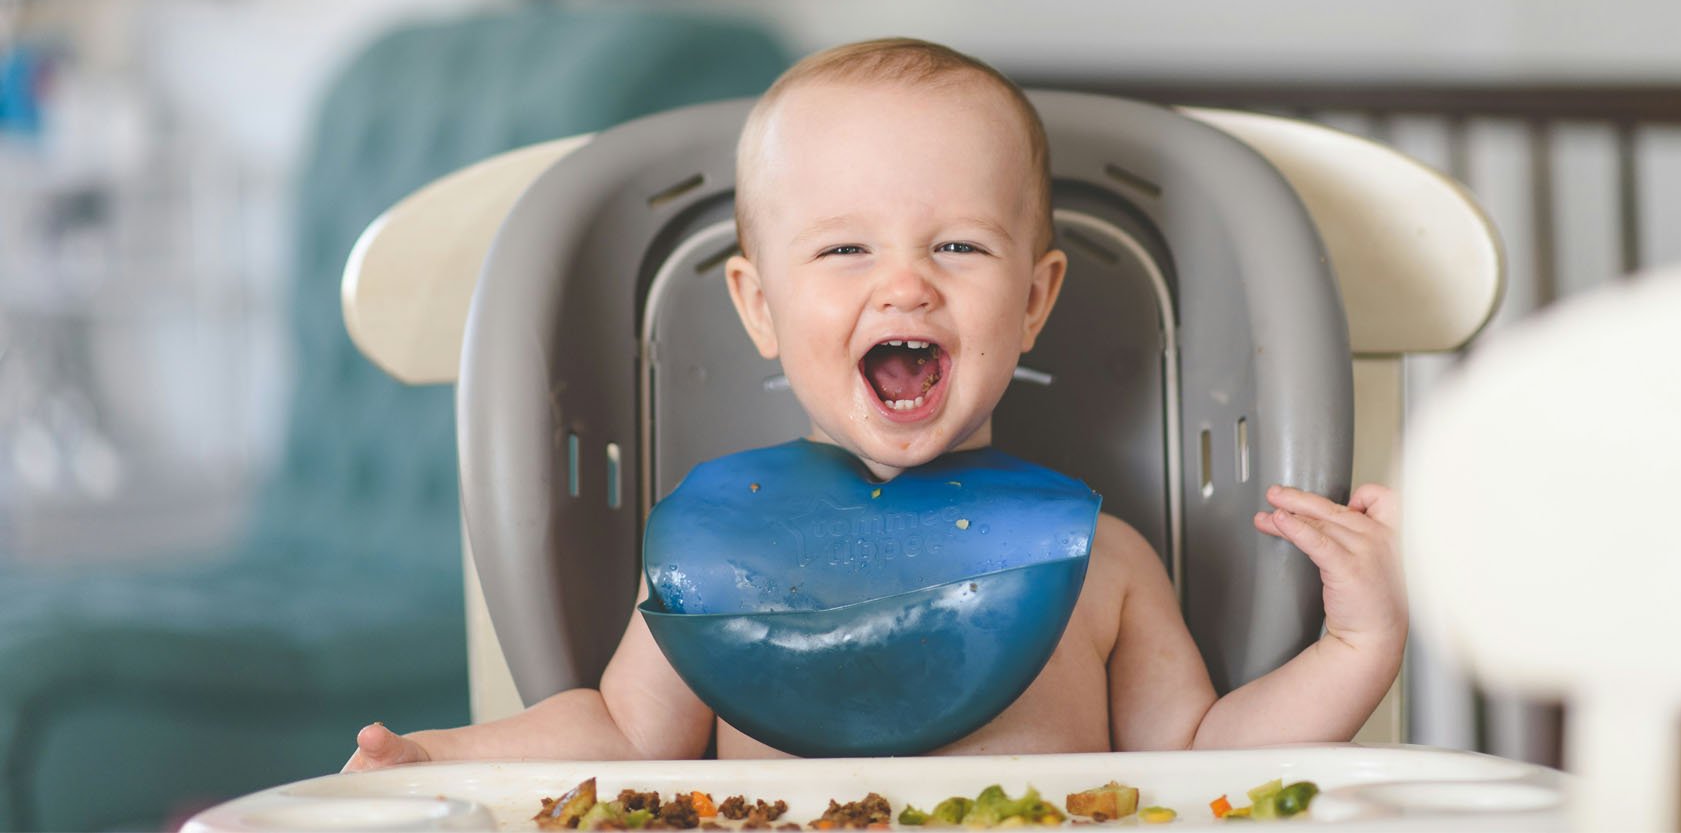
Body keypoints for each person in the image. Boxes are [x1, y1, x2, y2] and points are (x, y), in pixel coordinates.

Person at [345, 38, 1404, 768]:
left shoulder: (1101, 560)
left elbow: (1199, 759)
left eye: (958, 245)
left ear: (1034, 300)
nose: (905, 284)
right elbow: (624, 735)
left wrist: (1355, 648)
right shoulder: (719, 554)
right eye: (846, 248)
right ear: (759, 307)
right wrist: (441, 753)